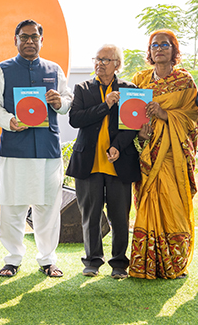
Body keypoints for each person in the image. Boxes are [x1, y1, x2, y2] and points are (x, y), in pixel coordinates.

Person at [0, 19, 73, 278]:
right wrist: (8, 121)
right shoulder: (3, 70)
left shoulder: (54, 70)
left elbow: (68, 100)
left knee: (48, 207)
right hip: (15, 149)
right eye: (24, 37)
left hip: (48, 149)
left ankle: (47, 259)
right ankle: (12, 259)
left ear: (41, 40)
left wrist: (59, 102)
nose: (29, 41)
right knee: (13, 205)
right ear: (16, 40)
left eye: (34, 37)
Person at [129, 30, 198, 279]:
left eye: (165, 44)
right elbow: (129, 115)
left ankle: (176, 264)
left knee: (174, 207)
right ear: (149, 51)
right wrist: (139, 135)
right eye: (154, 45)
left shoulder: (185, 81)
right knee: (148, 205)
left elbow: (192, 119)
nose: (159, 49)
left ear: (174, 50)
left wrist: (165, 114)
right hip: (147, 155)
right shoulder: (139, 80)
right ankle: (145, 264)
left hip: (173, 157)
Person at [66, 44, 140, 279]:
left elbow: (133, 124)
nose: (99, 63)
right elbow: (75, 119)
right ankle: (92, 261)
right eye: (97, 59)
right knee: (90, 215)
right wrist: (105, 106)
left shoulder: (130, 89)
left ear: (117, 64)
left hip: (120, 162)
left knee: (120, 217)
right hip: (89, 163)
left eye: (105, 60)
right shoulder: (82, 88)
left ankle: (119, 263)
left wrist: (118, 146)